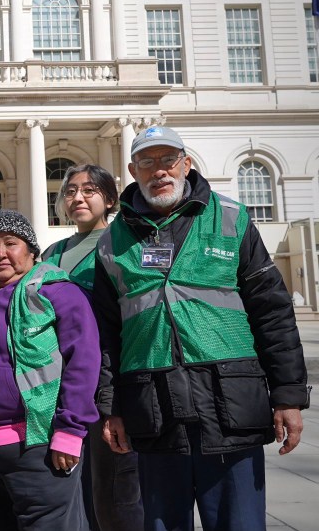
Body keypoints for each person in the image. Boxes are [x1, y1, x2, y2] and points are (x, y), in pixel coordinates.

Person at [93, 126, 309, 531]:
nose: (160, 171)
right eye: (148, 162)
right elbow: (107, 336)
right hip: (154, 413)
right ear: (132, 170)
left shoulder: (232, 219)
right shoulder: (111, 243)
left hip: (229, 410)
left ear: (186, 164)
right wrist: (112, 407)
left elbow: (273, 313)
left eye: (168, 159)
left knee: (239, 523)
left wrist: (288, 395)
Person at [0, 210, 100, 531]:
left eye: (11, 243)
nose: (0, 253)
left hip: (38, 446)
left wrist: (70, 432)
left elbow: (83, 363)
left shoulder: (58, 292)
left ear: (31, 249)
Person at [43, 165, 142, 531]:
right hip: (60, 382)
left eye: (89, 190)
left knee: (114, 490)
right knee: (71, 484)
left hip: (106, 377)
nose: (78, 197)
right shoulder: (53, 251)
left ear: (110, 198)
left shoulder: (124, 244)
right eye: (70, 191)